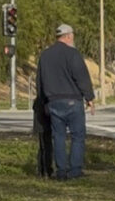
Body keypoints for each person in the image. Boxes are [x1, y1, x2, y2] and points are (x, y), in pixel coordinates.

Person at [35, 23, 95, 181]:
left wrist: (43, 101)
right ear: (68, 36)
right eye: (72, 36)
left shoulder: (45, 55)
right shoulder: (73, 54)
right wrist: (89, 97)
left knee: (58, 137)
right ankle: (75, 170)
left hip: (53, 102)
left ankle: (61, 171)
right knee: (77, 136)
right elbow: (81, 77)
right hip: (72, 100)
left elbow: (39, 81)